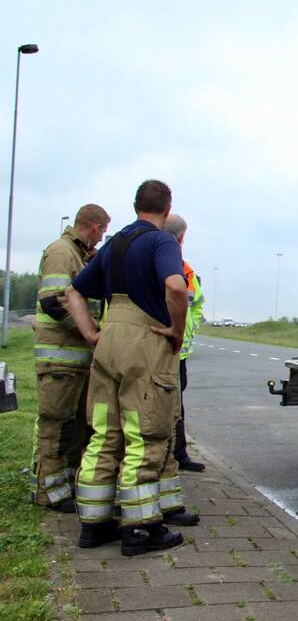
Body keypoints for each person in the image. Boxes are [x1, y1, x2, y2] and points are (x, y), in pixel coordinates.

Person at [66, 180, 200, 557]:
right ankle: (140, 529)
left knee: (104, 433)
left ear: (135, 204)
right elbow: (175, 286)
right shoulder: (160, 242)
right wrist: (175, 329)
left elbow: (74, 291)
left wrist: (91, 332)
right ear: (166, 206)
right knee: (145, 435)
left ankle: (93, 525)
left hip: (109, 345)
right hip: (144, 346)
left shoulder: (113, 244)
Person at [30, 204, 110, 512]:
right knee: (55, 424)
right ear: (93, 227)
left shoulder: (79, 255)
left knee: (73, 425)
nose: (101, 239)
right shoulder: (62, 252)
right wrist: (90, 331)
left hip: (72, 359)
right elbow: (53, 302)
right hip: (59, 358)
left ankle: (62, 484)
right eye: (101, 232)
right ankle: (46, 492)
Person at [161, 214, 205, 472]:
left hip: (180, 353)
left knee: (177, 405)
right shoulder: (166, 265)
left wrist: (189, 330)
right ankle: (168, 455)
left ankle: (178, 453)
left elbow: (197, 305)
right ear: (181, 238)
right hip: (160, 350)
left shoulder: (187, 271)